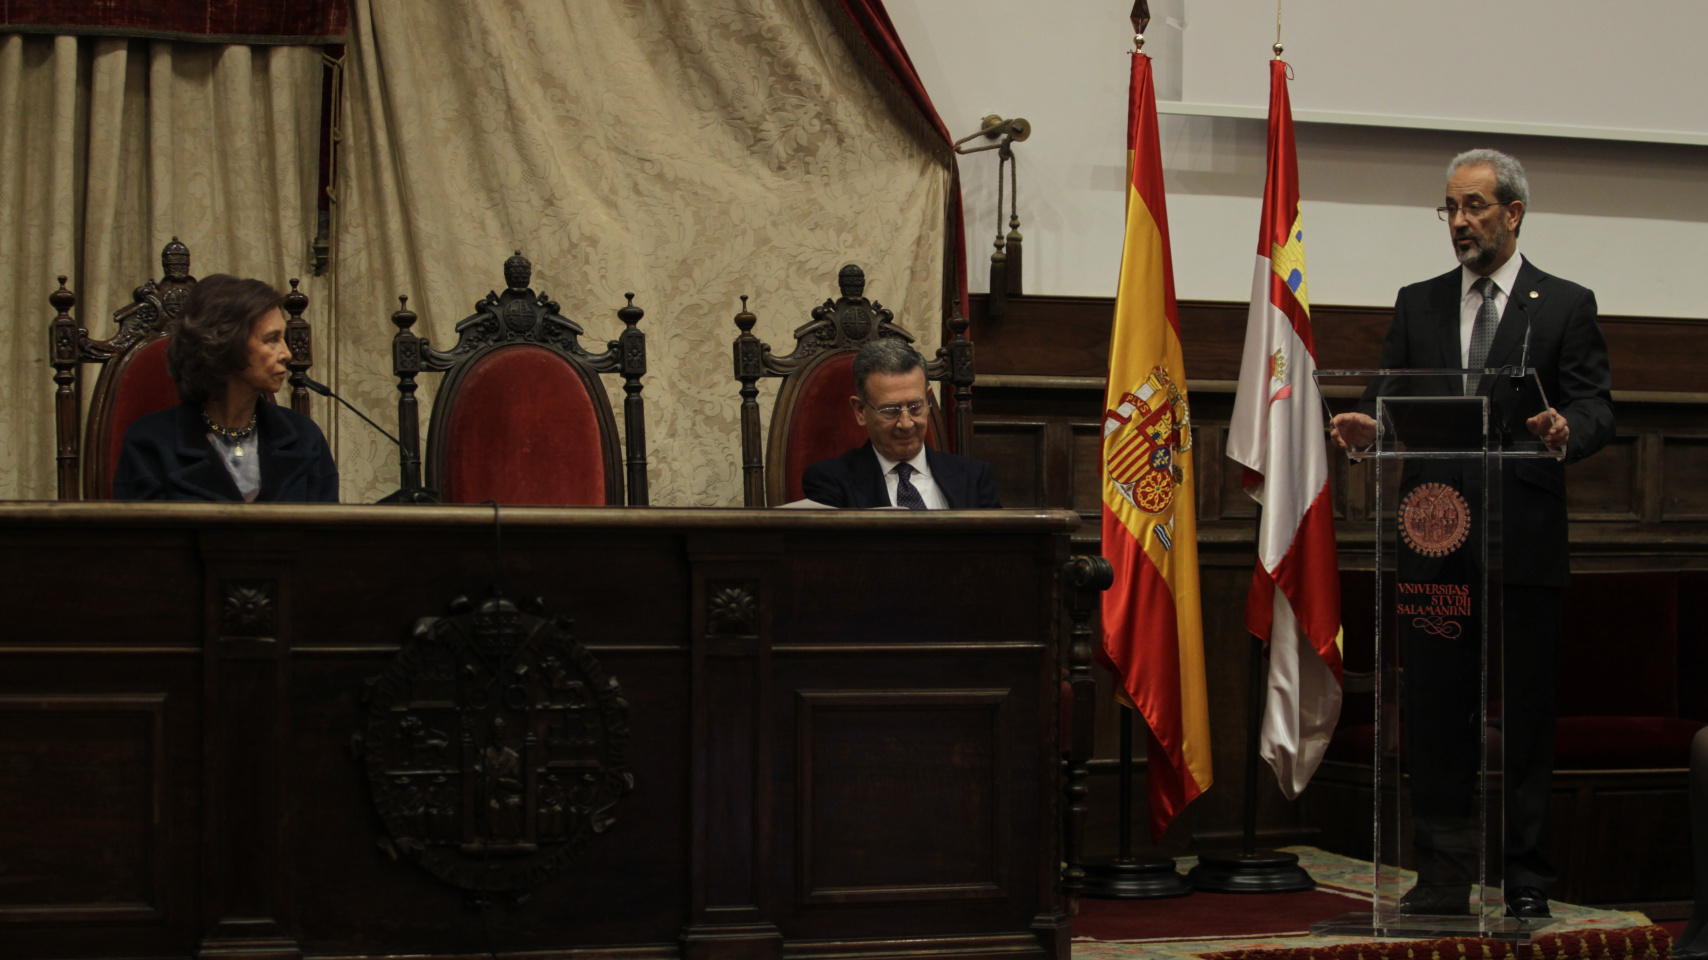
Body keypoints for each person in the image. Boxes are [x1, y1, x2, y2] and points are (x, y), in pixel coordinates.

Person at [1330, 149, 1613, 920]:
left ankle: (1525, 876)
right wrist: (1364, 422)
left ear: (1513, 213)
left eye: (1474, 207)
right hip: (1433, 534)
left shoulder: (1562, 304)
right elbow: (1385, 395)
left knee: (1523, 715)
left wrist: (1566, 429)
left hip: (1520, 536)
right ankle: (1446, 871)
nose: (1459, 223)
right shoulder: (1417, 303)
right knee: (1437, 710)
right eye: (1450, 209)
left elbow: (1596, 407)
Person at [114, 274, 339, 502]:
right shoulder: (150, 443)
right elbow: (140, 536)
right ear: (227, 345)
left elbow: (326, 535)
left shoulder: (304, 438)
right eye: (272, 339)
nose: (287, 354)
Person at [800, 338, 1000, 509]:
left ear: (928, 399)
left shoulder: (975, 478)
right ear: (861, 411)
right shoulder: (832, 482)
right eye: (890, 411)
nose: (906, 424)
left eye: (915, 407)